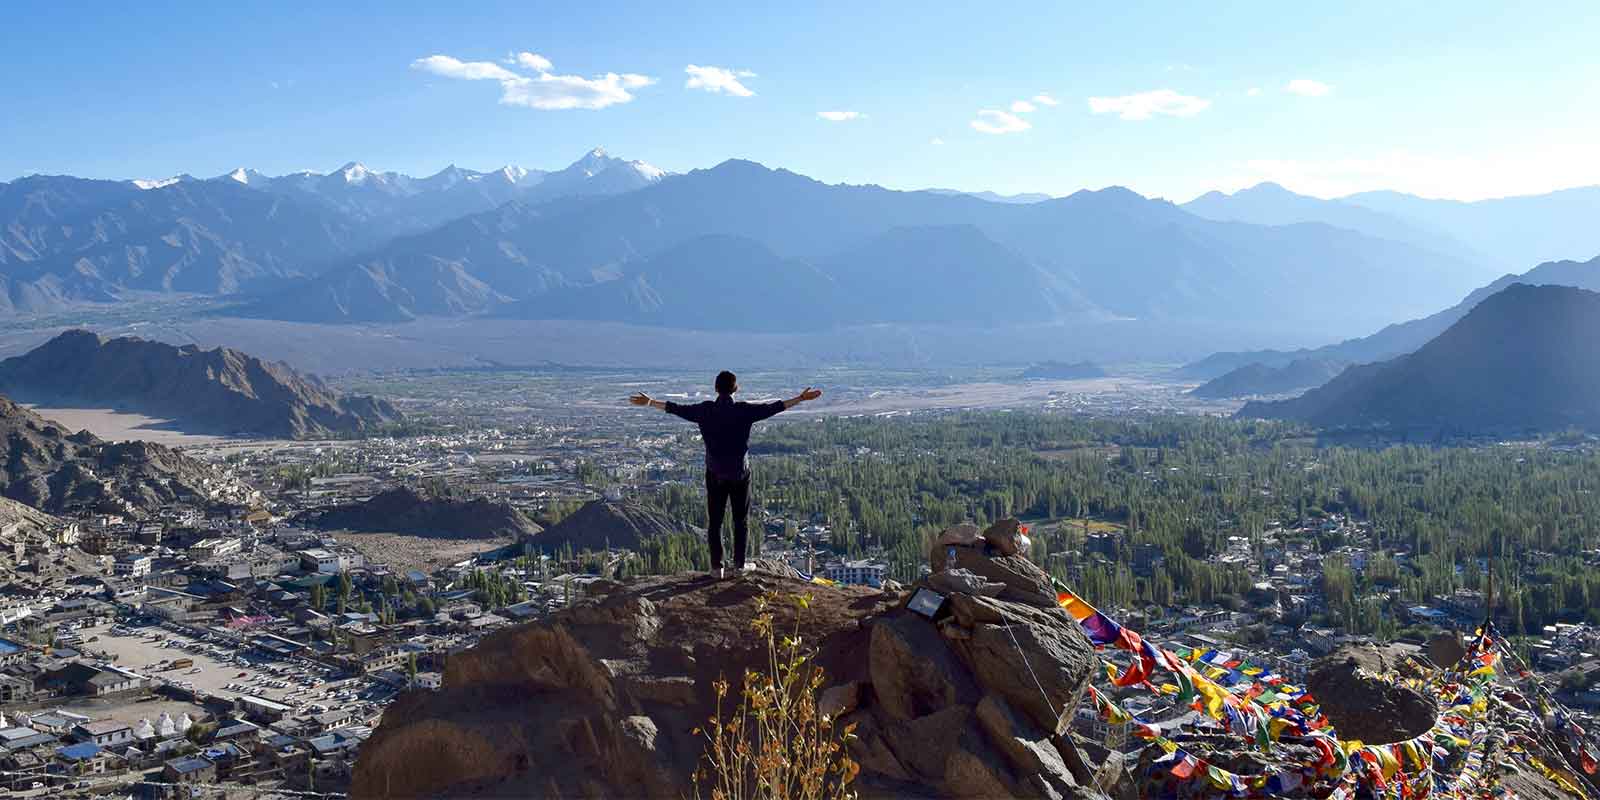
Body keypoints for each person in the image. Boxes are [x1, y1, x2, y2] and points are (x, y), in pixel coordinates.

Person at [630, 371, 822, 578]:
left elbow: (675, 408)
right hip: (740, 472)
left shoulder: (705, 410)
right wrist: (801, 398)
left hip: (715, 473)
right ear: (735, 388)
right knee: (740, 520)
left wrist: (650, 402)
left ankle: (716, 568)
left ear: (715, 389)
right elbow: (774, 408)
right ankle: (739, 566)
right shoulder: (743, 411)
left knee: (715, 522)